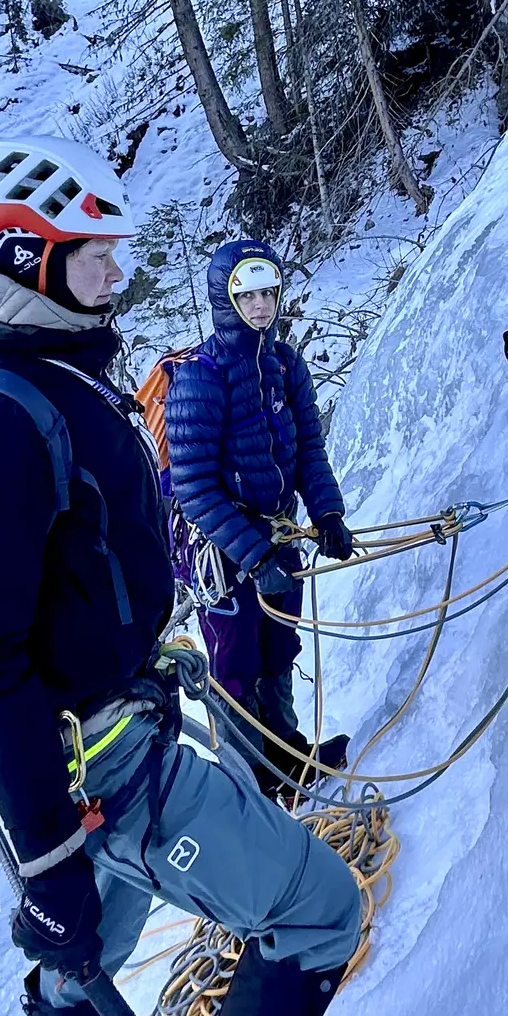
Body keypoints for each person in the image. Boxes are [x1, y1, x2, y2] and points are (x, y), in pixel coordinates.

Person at [0, 137, 361, 1016]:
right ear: (31, 263)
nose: (116, 273)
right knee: (316, 908)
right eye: (93, 257)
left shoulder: (46, 376)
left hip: (98, 756)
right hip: (105, 778)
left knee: (78, 961)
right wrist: (53, 855)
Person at [165, 239, 357, 793]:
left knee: (280, 646)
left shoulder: (286, 364)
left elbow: (309, 451)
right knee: (235, 662)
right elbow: (194, 485)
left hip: (281, 532)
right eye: (246, 295)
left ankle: (289, 755)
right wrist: (254, 554)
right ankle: (253, 781)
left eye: (268, 292)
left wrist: (326, 512)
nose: (259, 305)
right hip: (221, 551)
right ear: (226, 299)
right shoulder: (201, 379)